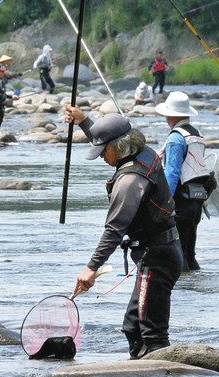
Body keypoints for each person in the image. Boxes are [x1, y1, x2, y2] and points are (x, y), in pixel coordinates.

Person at [66, 105, 183, 359]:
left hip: (158, 258)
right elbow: (111, 139)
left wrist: (91, 268)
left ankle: (162, 373)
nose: (99, 157)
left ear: (118, 148)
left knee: (151, 334)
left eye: (101, 151)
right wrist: (85, 122)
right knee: (133, 328)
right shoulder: (142, 151)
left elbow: (114, 229)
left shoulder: (130, 181)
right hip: (159, 252)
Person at [156, 92, 217, 272]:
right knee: (190, 253)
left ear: (171, 115)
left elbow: (172, 173)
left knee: (178, 254)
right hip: (197, 200)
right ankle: (194, 287)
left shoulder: (175, 138)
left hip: (181, 202)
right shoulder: (195, 134)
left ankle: (185, 293)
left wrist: (165, 201)